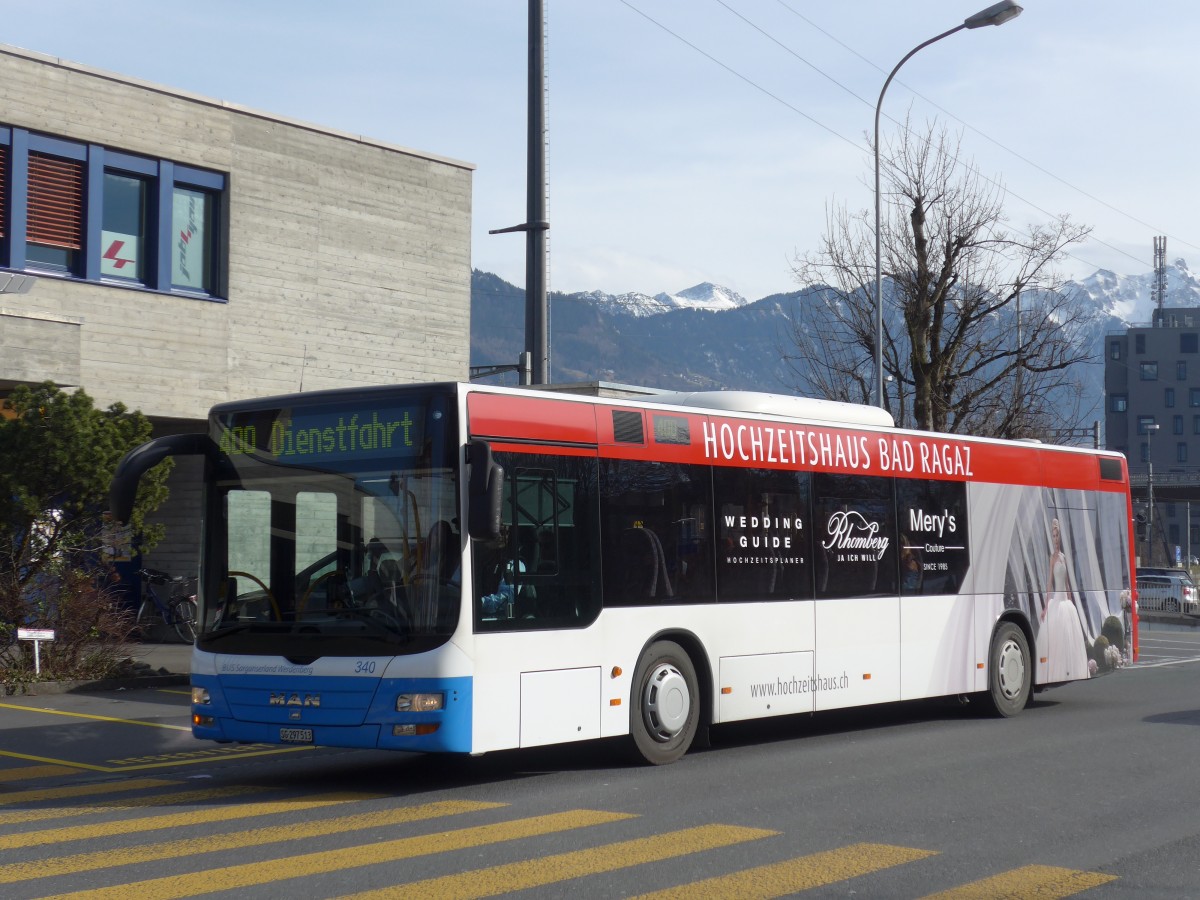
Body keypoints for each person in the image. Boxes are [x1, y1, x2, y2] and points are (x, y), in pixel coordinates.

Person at [1041, 517, 1089, 680]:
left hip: (1065, 603)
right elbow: (1050, 582)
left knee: (1069, 639)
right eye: (1053, 536)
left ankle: (1070, 670)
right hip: (1056, 602)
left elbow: (1067, 583)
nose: (1055, 539)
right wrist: (1046, 607)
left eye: (1057, 536)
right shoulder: (1053, 558)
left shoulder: (1063, 557)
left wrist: (1071, 600)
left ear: (1060, 537)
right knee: (1058, 640)